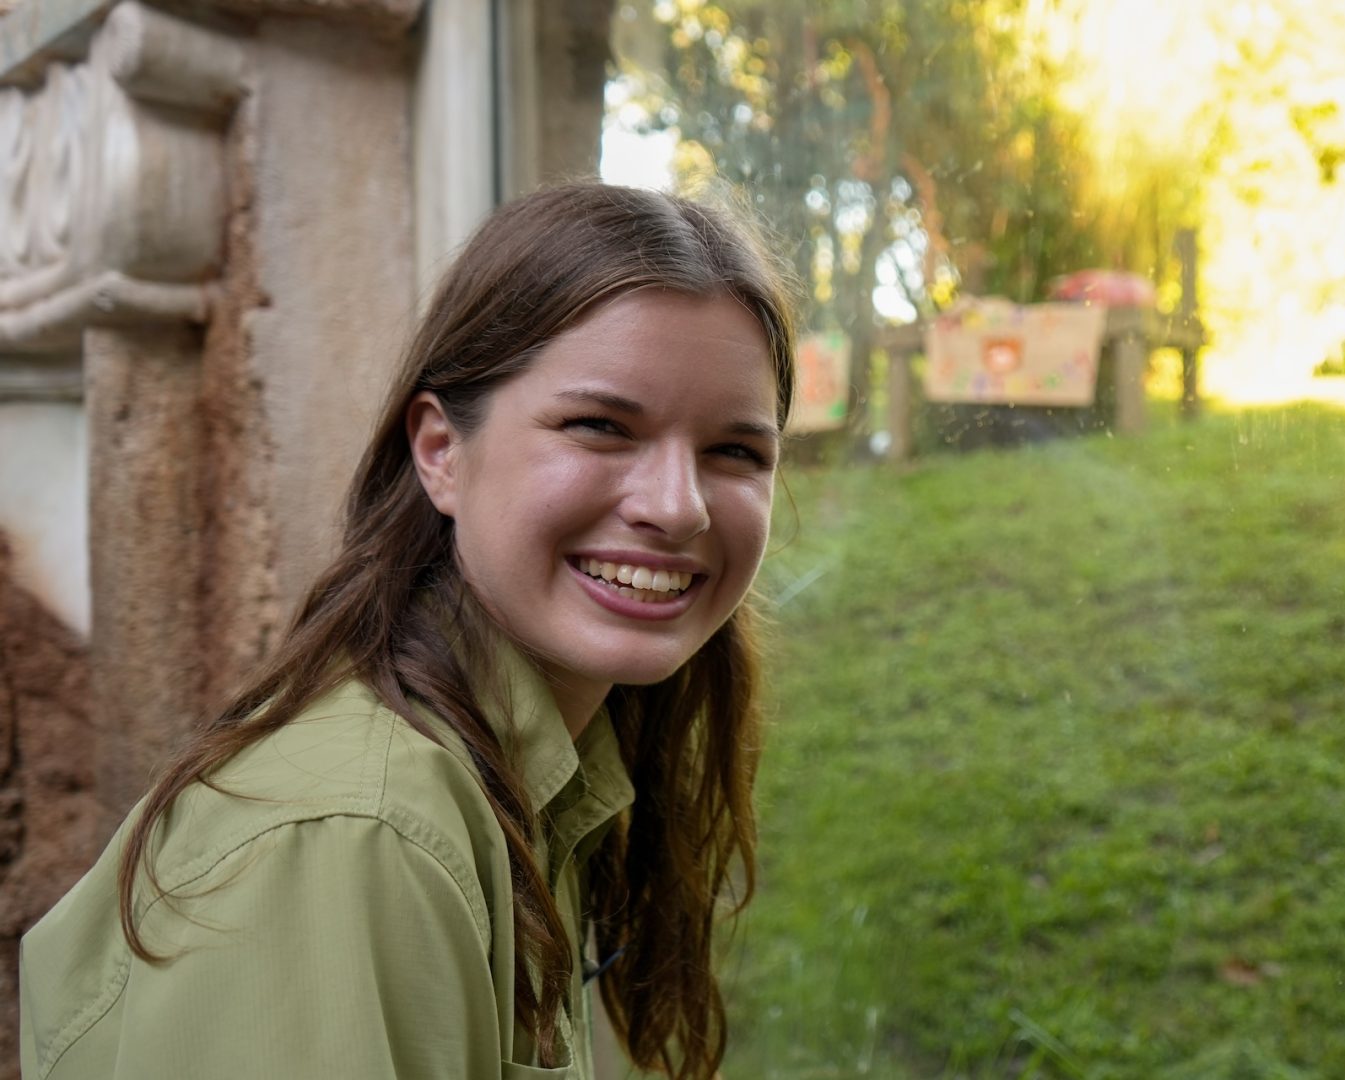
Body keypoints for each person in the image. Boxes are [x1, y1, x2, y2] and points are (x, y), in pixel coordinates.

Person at [19, 182, 797, 1080]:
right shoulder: (359, 836)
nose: (676, 506)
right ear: (440, 453)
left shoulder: (534, 770)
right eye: (600, 427)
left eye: (736, 451)